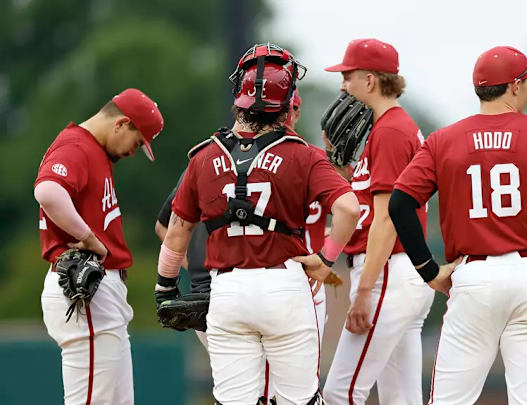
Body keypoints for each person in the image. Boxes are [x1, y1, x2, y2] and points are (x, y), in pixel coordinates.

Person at [388, 46, 527, 405]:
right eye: (526, 82)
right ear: (514, 86)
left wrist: (429, 271)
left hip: (474, 276)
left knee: (449, 400)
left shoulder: (443, 139)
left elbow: (400, 204)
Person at [154, 43, 360, 405]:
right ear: (286, 105)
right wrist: (326, 259)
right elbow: (348, 208)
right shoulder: (304, 154)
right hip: (284, 286)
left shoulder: (203, 156)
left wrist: (165, 287)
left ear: (239, 94)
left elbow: (175, 231)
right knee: (300, 400)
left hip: (228, 291)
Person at [322, 38, 434, 405]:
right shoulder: (393, 128)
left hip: (388, 272)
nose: (343, 85)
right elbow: (370, 204)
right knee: (400, 399)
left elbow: (386, 219)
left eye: (348, 76)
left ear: (370, 81)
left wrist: (365, 290)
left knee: (341, 392)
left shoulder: (389, 132)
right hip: (399, 274)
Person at [35, 88, 164, 404]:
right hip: (86, 290)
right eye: (136, 142)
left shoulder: (93, 151)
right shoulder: (76, 146)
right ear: (121, 123)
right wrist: (89, 237)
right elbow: (48, 191)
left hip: (100, 295)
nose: (133, 152)